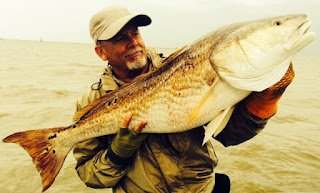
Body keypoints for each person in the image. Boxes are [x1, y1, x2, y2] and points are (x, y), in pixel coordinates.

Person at [73, 6, 294, 193]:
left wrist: (264, 102)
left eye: (135, 33)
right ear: (101, 53)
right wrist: (117, 154)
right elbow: (90, 176)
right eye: (121, 39)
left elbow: (229, 136)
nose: (133, 43)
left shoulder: (183, 68)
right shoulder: (92, 101)